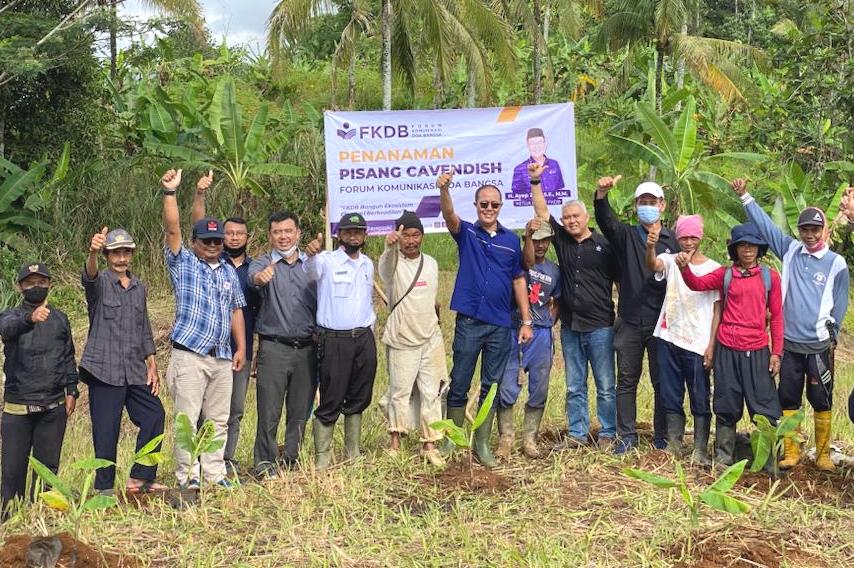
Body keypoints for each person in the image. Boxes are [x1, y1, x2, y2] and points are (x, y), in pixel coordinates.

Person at [733, 179, 849, 471]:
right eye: (805, 229)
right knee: (788, 397)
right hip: (789, 343)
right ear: (799, 231)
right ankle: (792, 450)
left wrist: (831, 333)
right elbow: (767, 227)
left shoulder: (837, 264)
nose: (809, 235)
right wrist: (745, 197)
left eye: (815, 229)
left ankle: (822, 454)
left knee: (821, 397)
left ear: (824, 231)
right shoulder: (790, 251)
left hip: (819, 345)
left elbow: (840, 303)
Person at [436, 169, 533, 469]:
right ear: (476, 206)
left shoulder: (510, 241)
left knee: (491, 385)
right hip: (469, 323)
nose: (489, 209)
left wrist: (527, 321)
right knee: (460, 381)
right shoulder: (466, 232)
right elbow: (449, 214)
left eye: (494, 204)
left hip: (500, 325)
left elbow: (518, 279)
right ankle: (452, 439)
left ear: (500, 207)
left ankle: (481, 444)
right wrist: (444, 190)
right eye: (483, 204)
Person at [160, 169, 247, 489]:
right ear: (195, 243)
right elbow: (173, 229)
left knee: (217, 420)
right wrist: (171, 193)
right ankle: (188, 476)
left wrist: (241, 348)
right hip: (190, 357)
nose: (212, 244)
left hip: (222, 357)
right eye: (206, 240)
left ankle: (214, 474)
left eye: (217, 240)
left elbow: (236, 310)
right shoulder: (184, 263)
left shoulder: (227, 271)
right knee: (187, 421)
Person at [528, 164, 618, 449]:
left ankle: (607, 432)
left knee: (605, 385)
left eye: (575, 216)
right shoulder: (563, 242)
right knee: (574, 385)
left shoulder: (606, 246)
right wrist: (535, 180)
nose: (570, 221)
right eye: (566, 217)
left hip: (601, 326)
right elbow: (543, 212)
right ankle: (577, 434)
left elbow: (621, 281)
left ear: (586, 217)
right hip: (571, 326)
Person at [678, 223, 783, 467]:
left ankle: (768, 463)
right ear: (735, 249)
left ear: (759, 249)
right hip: (727, 349)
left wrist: (776, 352)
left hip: (757, 350)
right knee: (726, 404)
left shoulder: (770, 278)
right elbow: (697, 283)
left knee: (764, 407)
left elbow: (777, 316)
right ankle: (723, 458)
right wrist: (684, 269)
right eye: (742, 246)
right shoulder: (725, 275)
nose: (748, 250)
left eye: (752, 246)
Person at [594, 175, 679, 454]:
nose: (647, 206)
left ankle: (662, 436)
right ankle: (626, 436)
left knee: (661, 380)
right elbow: (606, 222)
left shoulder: (673, 241)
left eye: (652, 202)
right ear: (636, 205)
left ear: (662, 205)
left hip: (661, 322)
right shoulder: (626, 236)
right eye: (642, 202)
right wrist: (601, 195)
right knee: (627, 380)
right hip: (629, 320)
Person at [80, 227, 167, 494]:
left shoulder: (138, 287)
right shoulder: (101, 284)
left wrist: (151, 364)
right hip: (104, 369)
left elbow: (144, 328)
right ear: (107, 255)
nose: (121, 258)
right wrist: (92, 253)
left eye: (125, 252)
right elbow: (90, 276)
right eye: (115, 252)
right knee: (106, 431)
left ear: (131, 254)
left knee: (154, 414)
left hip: (133, 368)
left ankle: (140, 478)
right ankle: (103, 489)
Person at [191, 183, 260, 478]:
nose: (233, 238)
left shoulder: (256, 269)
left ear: (248, 237)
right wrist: (200, 195)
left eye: (239, 234)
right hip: (206, 351)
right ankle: (196, 464)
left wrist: (248, 350)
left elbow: (249, 312)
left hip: (238, 353)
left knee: (233, 411)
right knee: (200, 412)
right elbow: (196, 226)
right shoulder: (209, 262)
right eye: (228, 233)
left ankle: (224, 460)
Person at [1, 263, 78, 518]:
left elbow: (68, 356)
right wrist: (29, 318)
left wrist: (72, 389)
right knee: (13, 472)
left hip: (52, 408)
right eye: (30, 282)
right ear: (20, 287)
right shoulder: (10, 316)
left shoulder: (60, 319)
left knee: (47, 471)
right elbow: (7, 329)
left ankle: (41, 519)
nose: (36, 287)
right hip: (18, 409)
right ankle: (9, 523)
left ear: (49, 285)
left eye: (41, 282)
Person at [645, 216, 721, 465]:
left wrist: (711, 344)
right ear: (677, 238)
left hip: (697, 343)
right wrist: (650, 246)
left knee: (700, 396)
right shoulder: (670, 259)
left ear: (701, 238)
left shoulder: (715, 269)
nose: (688, 242)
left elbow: (717, 310)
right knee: (670, 393)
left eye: (693, 237)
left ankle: (699, 448)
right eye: (684, 237)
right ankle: (675, 444)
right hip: (668, 337)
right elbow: (654, 265)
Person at [304, 212, 377, 469]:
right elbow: (310, 272)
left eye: (358, 232)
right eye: (348, 232)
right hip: (335, 340)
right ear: (339, 235)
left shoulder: (368, 264)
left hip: (364, 338)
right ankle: (322, 457)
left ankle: (352, 452)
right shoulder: (326, 261)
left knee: (360, 394)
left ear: (365, 235)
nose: (353, 236)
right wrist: (311, 253)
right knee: (332, 398)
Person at [248, 211, 318, 476]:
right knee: (269, 409)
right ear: (270, 235)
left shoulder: (312, 265)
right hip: (274, 347)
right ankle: (264, 462)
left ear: (298, 233)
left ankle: (291, 458)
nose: (283, 237)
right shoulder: (262, 263)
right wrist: (260, 279)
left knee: (300, 410)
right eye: (277, 232)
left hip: (307, 348)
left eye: (288, 231)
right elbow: (252, 279)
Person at [378, 210, 446, 466]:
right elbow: (385, 267)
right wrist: (389, 247)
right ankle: (395, 441)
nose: (410, 241)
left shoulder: (431, 263)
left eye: (415, 235)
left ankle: (429, 444)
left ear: (422, 236)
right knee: (400, 392)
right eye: (406, 235)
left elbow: (432, 298)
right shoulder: (393, 264)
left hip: (430, 336)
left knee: (432, 392)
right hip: (402, 337)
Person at [496, 217, 560, 460]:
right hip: (514, 331)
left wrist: (549, 323)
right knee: (507, 384)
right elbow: (527, 260)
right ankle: (506, 438)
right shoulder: (520, 264)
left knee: (539, 387)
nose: (540, 246)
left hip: (542, 334)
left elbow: (558, 302)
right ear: (526, 241)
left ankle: (530, 438)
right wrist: (528, 237)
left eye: (545, 241)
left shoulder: (554, 270)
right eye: (535, 240)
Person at [510, 128, 566, 198]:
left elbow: (561, 191)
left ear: (545, 144)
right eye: (532, 143)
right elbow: (516, 197)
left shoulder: (554, 164)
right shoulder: (519, 169)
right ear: (528, 146)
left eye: (540, 142)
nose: (537, 146)